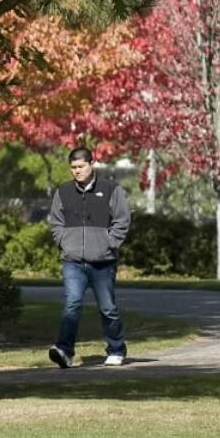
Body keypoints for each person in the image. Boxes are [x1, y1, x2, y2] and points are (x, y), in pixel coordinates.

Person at [47, 147, 131, 368]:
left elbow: (122, 220)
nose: (77, 171)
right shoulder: (63, 192)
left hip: (103, 261)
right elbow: (55, 222)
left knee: (108, 308)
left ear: (91, 164)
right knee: (71, 305)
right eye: (73, 167)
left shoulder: (111, 189)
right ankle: (64, 351)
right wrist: (63, 241)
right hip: (73, 261)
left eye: (81, 166)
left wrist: (109, 243)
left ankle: (116, 349)